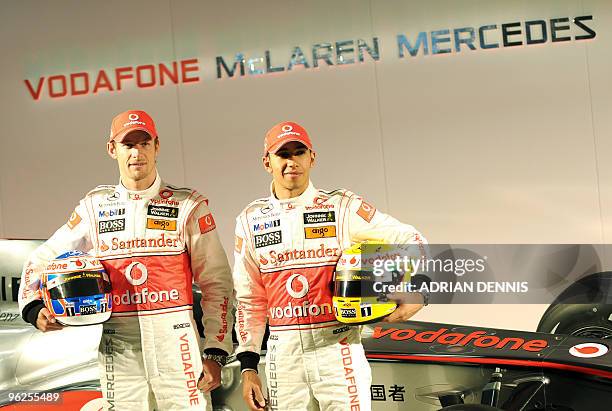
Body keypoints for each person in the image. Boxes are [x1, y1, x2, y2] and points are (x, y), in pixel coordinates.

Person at [18, 110, 234, 411]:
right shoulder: (95, 207)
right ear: (112, 150)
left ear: (157, 146)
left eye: (144, 143)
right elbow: (43, 257)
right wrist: (33, 305)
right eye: (127, 145)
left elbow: (217, 284)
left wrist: (215, 352)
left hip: (178, 343)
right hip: (118, 345)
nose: (137, 153)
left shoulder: (187, 205)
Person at [233, 121, 427, 411]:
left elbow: (413, 239)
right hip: (283, 359)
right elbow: (250, 300)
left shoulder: (342, 206)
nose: (292, 162)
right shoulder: (250, 220)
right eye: (283, 155)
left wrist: (418, 291)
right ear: (267, 162)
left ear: (312, 157)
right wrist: (248, 366)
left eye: (299, 152)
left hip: (338, 350)